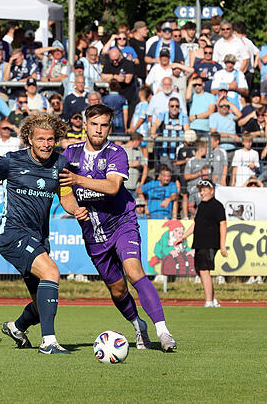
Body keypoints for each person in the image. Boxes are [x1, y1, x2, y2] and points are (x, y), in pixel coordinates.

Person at [0, 113, 88, 355]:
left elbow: (65, 197)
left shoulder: (60, 164)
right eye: (41, 139)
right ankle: (49, 343)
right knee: (52, 272)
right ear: (30, 139)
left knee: (42, 305)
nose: (46, 144)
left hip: (39, 238)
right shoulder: (11, 161)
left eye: (50, 139)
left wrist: (76, 210)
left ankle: (16, 327)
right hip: (12, 234)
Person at [60, 104, 177, 352]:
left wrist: (78, 179)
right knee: (117, 288)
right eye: (94, 124)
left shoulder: (116, 153)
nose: (98, 130)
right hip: (93, 231)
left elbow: (113, 187)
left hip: (122, 221)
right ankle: (138, 325)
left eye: (104, 125)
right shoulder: (69, 154)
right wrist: (73, 209)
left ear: (109, 128)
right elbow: (65, 193)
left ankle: (163, 332)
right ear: (85, 125)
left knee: (134, 271)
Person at [174, 180, 227, 307]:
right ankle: (213, 300)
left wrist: (222, 244)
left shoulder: (217, 206)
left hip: (209, 243)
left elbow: (223, 224)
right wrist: (183, 237)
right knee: (200, 270)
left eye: (204, 190)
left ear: (212, 191)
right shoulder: (202, 206)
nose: (202, 193)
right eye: (201, 190)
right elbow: (196, 224)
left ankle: (208, 301)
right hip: (199, 242)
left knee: (204, 270)